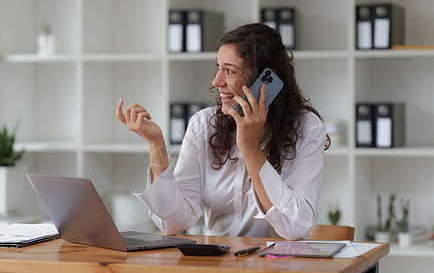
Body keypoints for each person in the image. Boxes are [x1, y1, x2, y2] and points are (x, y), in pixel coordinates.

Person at [116, 23, 329, 240]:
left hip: (280, 265)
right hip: (219, 263)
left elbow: (294, 228)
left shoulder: (307, 128)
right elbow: (173, 222)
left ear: (265, 80)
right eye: (218, 67)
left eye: (230, 71)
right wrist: (156, 145)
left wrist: (250, 148)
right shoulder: (203, 124)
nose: (216, 81)